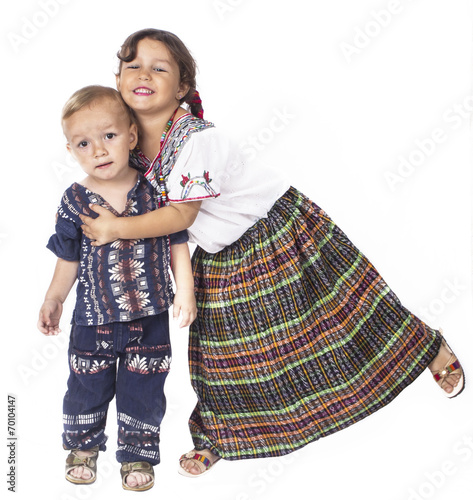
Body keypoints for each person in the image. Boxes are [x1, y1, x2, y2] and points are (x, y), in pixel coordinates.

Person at [79, 29, 465, 477]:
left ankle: (425, 345)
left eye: (158, 67)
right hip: (218, 255)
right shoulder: (124, 143)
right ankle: (220, 436)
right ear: (118, 78)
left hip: (276, 231)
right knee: (224, 358)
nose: (143, 74)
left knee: (344, 314)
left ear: (183, 87)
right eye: (132, 65)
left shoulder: (197, 139)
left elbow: (181, 216)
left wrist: (116, 229)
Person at [37, 85, 196, 490]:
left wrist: (186, 290)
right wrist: (54, 297)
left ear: (130, 135)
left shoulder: (154, 190)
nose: (99, 151)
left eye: (108, 136)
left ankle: (138, 457)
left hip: (150, 316)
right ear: (71, 150)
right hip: (93, 318)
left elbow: (177, 238)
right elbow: (68, 257)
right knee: (86, 384)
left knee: (144, 388)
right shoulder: (74, 200)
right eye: (84, 143)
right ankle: (83, 448)